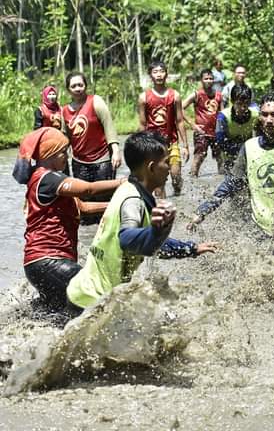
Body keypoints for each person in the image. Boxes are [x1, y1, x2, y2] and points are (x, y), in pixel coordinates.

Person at [66, 131, 217, 311]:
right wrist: (157, 230)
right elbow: (128, 239)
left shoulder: (131, 189)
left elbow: (151, 243)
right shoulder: (133, 201)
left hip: (85, 295)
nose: (170, 168)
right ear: (151, 167)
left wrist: (191, 249)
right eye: (166, 162)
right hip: (90, 303)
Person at [13, 128, 124, 311]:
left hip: (40, 264)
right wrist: (124, 183)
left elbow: (83, 208)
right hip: (48, 261)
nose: (67, 156)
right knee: (96, 292)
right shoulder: (47, 178)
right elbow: (88, 189)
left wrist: (119, 204)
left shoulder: (51, 181)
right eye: (63, 152)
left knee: (62, 317)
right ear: (50, 154)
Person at [189, 92, 274, 238]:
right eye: (264, 115)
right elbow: (231, 183)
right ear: (259, 116)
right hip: (257, 226)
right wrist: (203, 211)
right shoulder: (249, 147)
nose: (269, 120)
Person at [62, 72, 121, 225]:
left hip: (102, 159)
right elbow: (64, 137)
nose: (78, 88)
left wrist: (115, 151)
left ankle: (106, 230)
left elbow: (108, 125)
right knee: (83, 203)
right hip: (79, 162)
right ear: (68, 89)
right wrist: (59, 159)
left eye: (80, 85)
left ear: (85, 86)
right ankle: (88, 235)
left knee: (103, 199)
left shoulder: (96, 101)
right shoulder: (64, 111)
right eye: (73, 86)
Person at [138, 61, 188, 197]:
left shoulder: (175, 95)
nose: (159, 75)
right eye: (155, 72)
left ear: (166, 74)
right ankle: (164, 210)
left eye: (161, 71)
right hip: (154, 145)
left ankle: (178, 194)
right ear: (150, 75)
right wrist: (141, 146)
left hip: (172, 143)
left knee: (176, 175)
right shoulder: (144, 98)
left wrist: (185, 145)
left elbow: (179, 121)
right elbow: (142, 124)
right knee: (158, 184)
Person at [183, 69, 223, 177]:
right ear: (201, 80)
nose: (209, 81)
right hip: (201, 132)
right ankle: (193, 178)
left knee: (221, 158)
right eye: (206, 79)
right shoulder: (196, 95)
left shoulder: (219, 96)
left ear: (214, 80)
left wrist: (223, 130)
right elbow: (180, 108)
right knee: (199, 157)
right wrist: (192, 124)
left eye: (211, 78)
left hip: (216, 132)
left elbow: (222, 114)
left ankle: (221, 180)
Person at [215, 83, 256, 173]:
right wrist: (240, 150)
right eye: (239, 104)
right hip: (229, 157)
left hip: (248, 157)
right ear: (232, 102)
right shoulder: (223, 117)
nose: (243, 107)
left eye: (246, 104)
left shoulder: (255, 115)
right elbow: (220, 142)